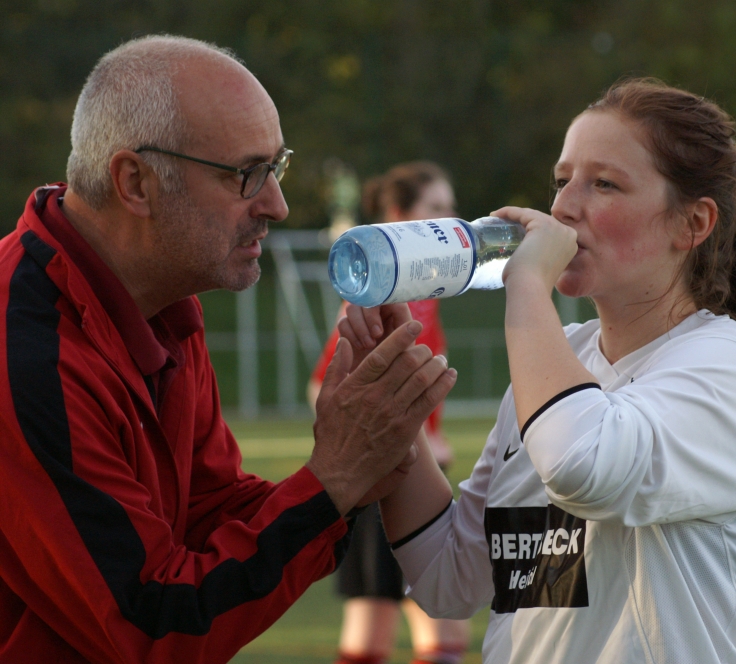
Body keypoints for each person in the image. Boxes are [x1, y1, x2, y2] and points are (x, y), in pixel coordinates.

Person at [0, 35, 456, 663]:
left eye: (277, 167)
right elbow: (154, 624)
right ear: (135, 182)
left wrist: (356, 463)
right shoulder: (27, 350)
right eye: (247, 174)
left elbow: (210, 516)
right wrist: (337, 477)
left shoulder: (160, 306)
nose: (276, 204)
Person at [339, 77, 736, 663]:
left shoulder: (730, 360)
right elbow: (448, 580)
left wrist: (526, 286)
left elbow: (582, 466)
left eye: (603, 184)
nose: (562, 209)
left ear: (692, 224)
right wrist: (394, 414)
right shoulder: (560, 363)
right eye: (561, 182)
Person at [308, 162, 470, 664]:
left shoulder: (423, 290)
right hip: (391, 476)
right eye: (437, 210)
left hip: (403, 470)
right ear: (403, 217)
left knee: (400, 627)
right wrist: (409, 436)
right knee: (410, 627)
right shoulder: (389, 291)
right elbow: (323, 385)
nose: (452, 219)